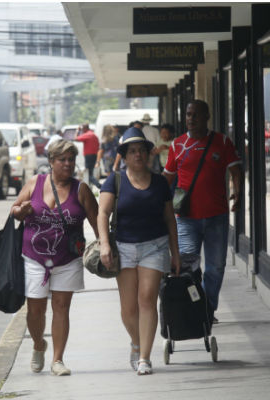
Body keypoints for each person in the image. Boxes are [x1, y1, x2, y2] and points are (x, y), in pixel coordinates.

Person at [10, 139, 99, 376]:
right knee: (35, 310)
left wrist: (105, 245)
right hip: (33, 258)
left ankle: (58, 360)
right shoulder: (35, 183)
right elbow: (15, 210)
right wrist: (23, 211)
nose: (68, 164)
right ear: (51, 162)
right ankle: (39, 344)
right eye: (62, 160)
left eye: (72, 159)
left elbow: (96, 219)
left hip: (67, 259)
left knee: (62, 307)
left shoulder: (81, 190)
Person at [98, 127, 180, 375]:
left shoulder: (159, 182)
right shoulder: (115, 180)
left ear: (149, 153)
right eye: (132, 151)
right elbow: (102, 213)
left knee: (147, 300)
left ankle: (144, 357)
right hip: (123, 248)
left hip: (154, 246)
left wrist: (175, 252)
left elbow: (169, 219)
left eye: (142, 150)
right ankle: (136, 341)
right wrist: (104, 243)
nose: (137, 155)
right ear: (124, 155)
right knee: (128, 309)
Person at [162, 100, 242, 324]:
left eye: (196, 114)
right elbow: (166, 178)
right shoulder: (178, 145)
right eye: (188, 114)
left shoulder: (222, 142)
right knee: (187, 268)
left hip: (217, 216)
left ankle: (208, 310)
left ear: (207, 116)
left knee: (215, 268)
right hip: (186, 218)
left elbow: (236, 170)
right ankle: (191, 308)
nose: (191, 118)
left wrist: (239, 192)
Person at [75, 123, 101, 189]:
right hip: (94, 155)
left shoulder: (87, 135)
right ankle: (90, 187)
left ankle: (99, 185)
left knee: (88, 174)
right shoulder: (94, 135)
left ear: (84, 128)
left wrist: (77, 131)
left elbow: (76, 138)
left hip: (89, 156)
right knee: (90, 173)